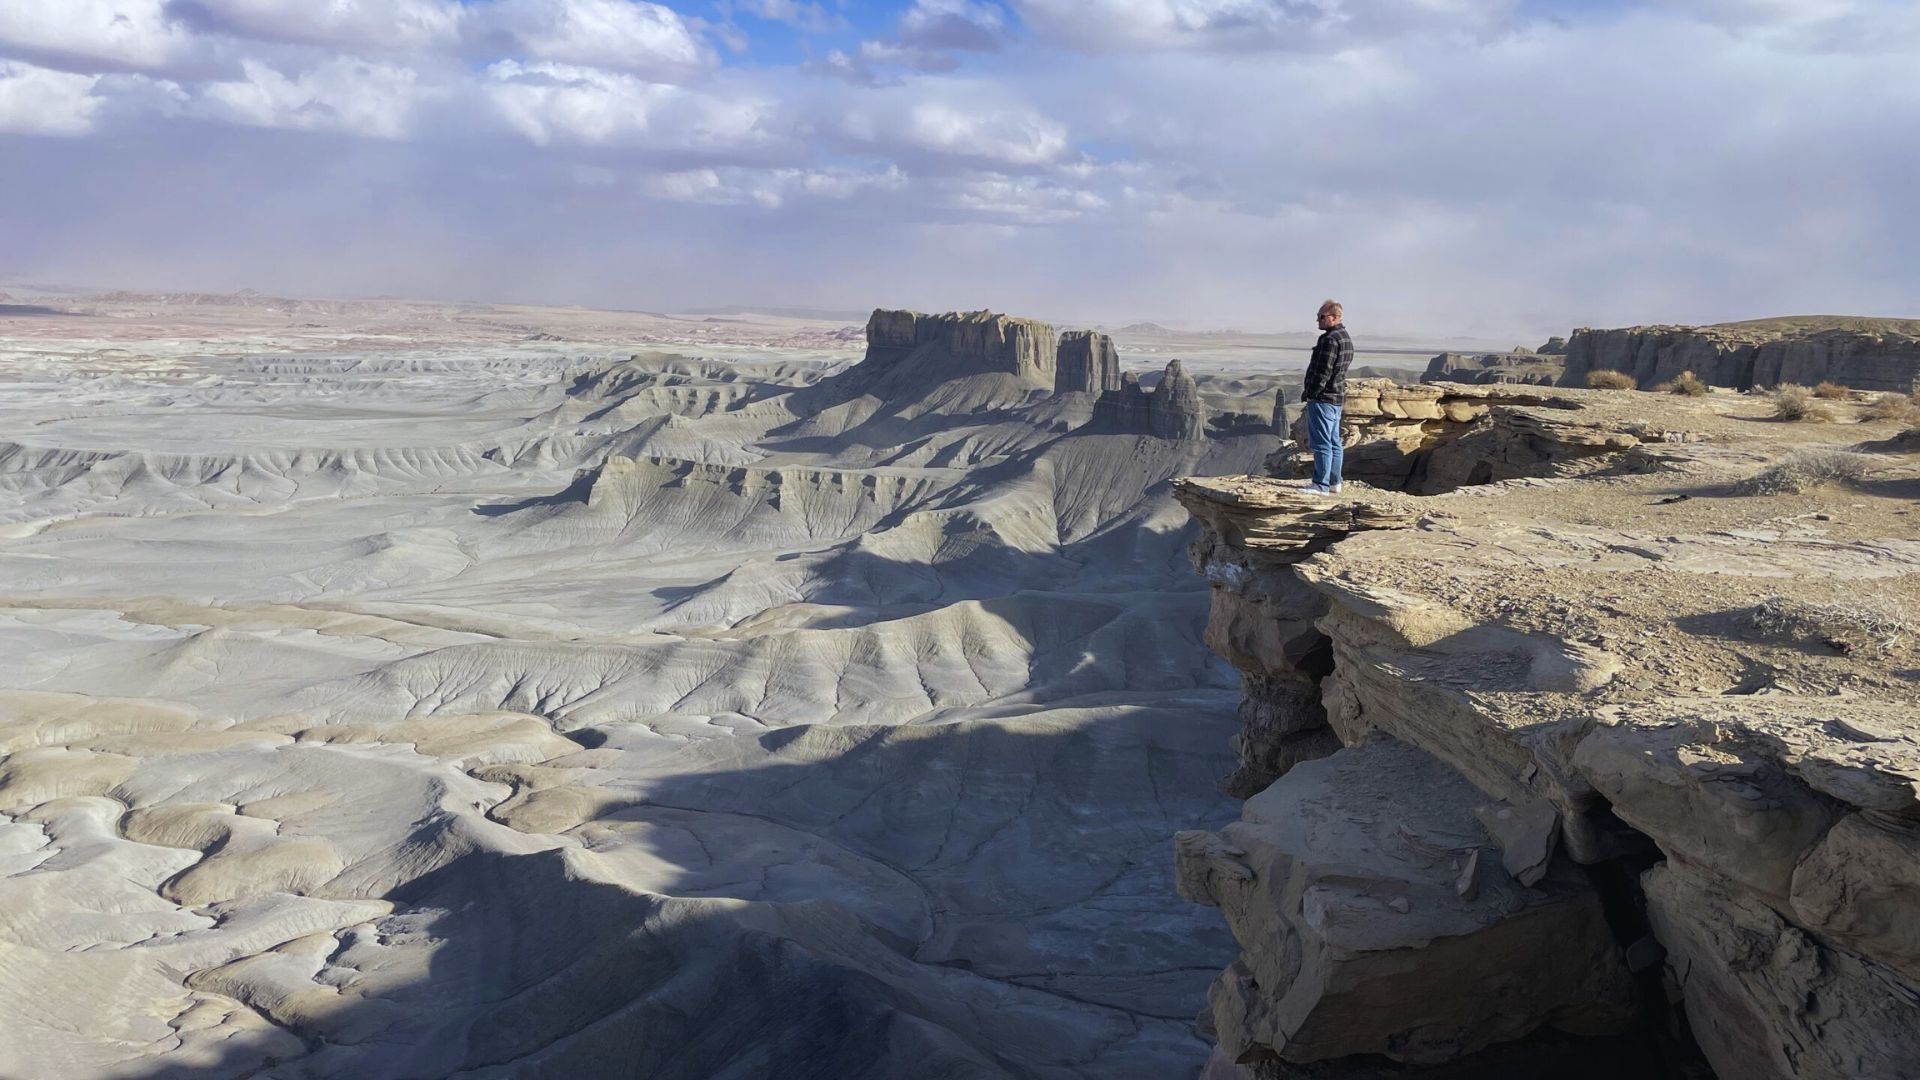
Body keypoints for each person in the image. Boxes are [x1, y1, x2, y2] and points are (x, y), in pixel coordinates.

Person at [1300, 299, 1352, 494]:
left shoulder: (1329, 340)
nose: (1317, 321)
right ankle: (1334, 483)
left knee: (1321, 443)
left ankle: (1320, 485)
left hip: (1323, 399)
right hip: (1337, 397)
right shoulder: (1345, 337)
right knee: (1334, 442)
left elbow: (1323, 371)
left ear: (1334, 317)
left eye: (1321, 317)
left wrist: (1312, 393)